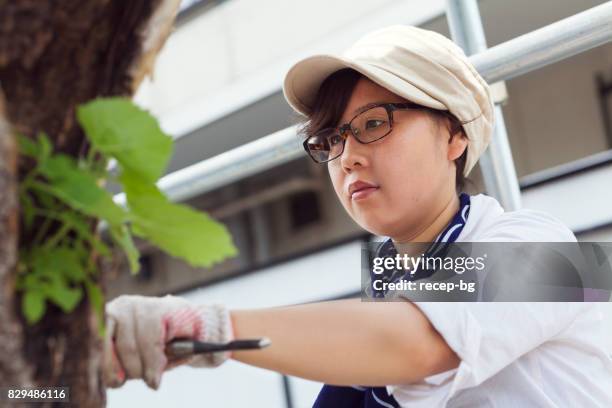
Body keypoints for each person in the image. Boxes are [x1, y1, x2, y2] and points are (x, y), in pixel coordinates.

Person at [104, 25, 612, 407]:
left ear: (454, 136)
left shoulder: (544, 248)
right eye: (330, 139)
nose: (346, 157)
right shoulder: (386, 296)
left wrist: (205, 327)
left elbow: (415, 342)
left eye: (374, 123)